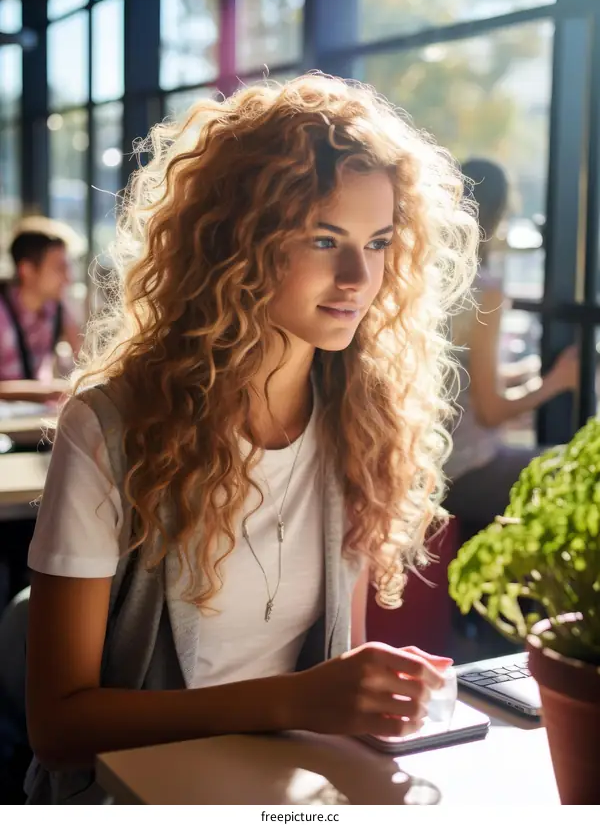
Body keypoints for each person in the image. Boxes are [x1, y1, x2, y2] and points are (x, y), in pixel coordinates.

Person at [23, 74, 478, 803]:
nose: (359, 277)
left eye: (378, 242)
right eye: (324, 239)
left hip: (287, 792)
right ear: (238, 240)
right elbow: (57, 728)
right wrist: (294, 702)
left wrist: (370, 697)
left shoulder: (363, 420)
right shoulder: (110, 428)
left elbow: (339, 663)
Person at [444, 158, 579, 532]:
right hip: (463, 472)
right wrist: (558, 382)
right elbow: (490, 412)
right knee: (585, 471)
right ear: (498, 215)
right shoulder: (484, 291)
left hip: (431, 466)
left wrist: (530, 374)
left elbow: (461, 382)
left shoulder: (434, 279)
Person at [0, 216, 83, 404]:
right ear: (27, 270)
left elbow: (85, 360)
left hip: (34, 422)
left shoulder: (57, 309)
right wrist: (49, 391)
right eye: (59, 268)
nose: (68, 278)